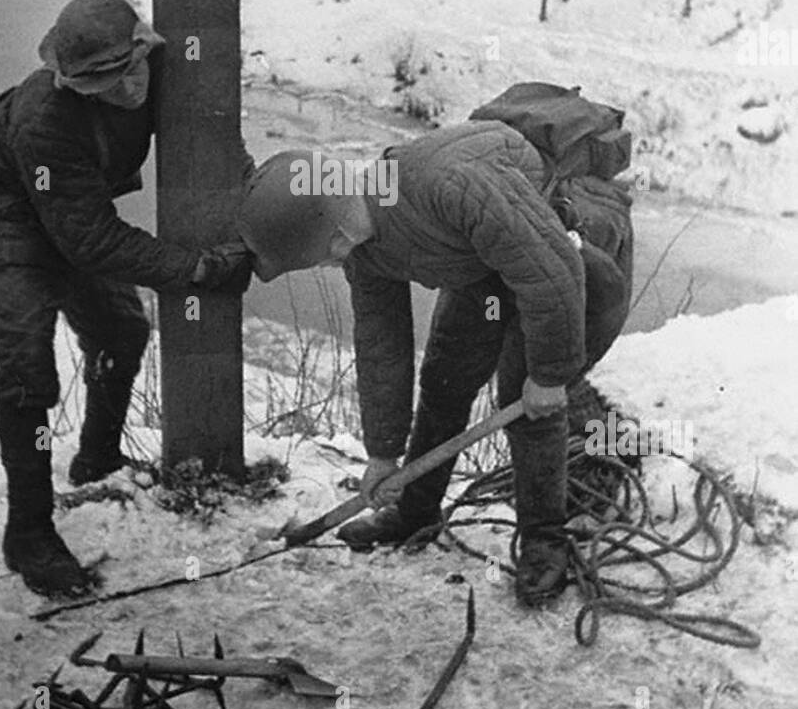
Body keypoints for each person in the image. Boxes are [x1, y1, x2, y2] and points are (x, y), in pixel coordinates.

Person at [236, 121, 633, 606]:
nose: (326, 264)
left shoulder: (447, 183)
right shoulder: (364, 250)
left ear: (334, 236)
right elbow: (383, 346)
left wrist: (549, 376)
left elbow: (552, 272)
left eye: (318, 257)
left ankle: (543, 543)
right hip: (485, 270)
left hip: (569, 256)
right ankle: (416, 510)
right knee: (444, 381)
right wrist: (382, 455)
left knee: (526, 403)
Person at [0, 0, 250, 597]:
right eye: (103, 83)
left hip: (71, 213)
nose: (127, 88)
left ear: (145, 48)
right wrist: (197, 270)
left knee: (122, 332)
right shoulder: (44, 120)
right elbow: (93, 242)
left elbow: (209, 140)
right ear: (71, 82)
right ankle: (27, 532)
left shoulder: (160, 69)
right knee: (26, 369)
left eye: (132, 69)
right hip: (9, 215)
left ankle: (97, 457)